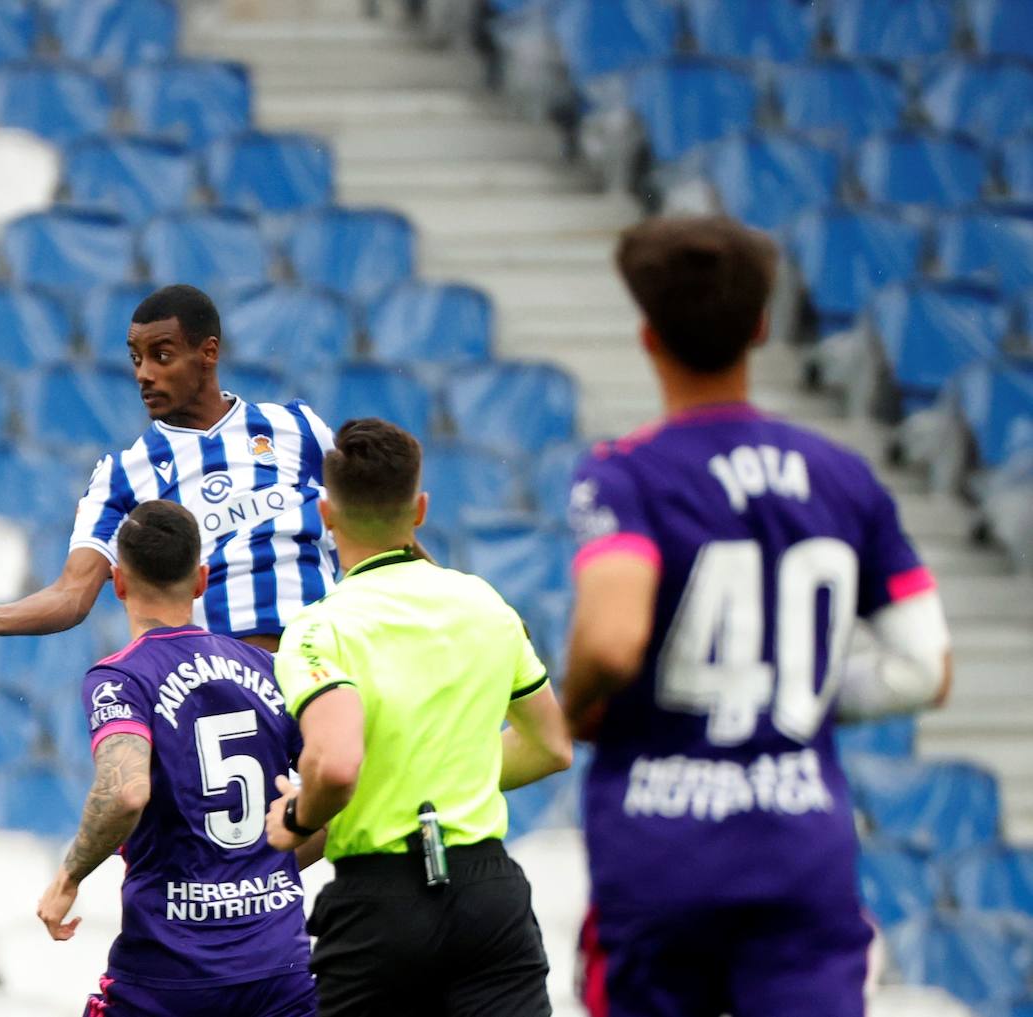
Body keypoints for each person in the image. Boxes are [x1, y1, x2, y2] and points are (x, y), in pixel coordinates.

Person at [562, 215, 953, 1017]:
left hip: (659, 848)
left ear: (648, 336)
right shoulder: (844, 476)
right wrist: (791, 683)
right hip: (798, 844)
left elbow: (611, 635)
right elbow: (926, 668)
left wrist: (572, 708)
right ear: (762, 327)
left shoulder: (626, 474)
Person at [264, 417, 572, 1017]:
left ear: (326, 514)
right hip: (488, 896)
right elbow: (553, 746)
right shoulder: (487, 605)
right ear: (421, 508)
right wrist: (446, 770)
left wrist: (297, 819)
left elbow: (337, 765)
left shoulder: (318, 629)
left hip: (379, 905)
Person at [0, 284, 337, 652]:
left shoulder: (296, 428)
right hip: (224, 682)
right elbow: (72, 594)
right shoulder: (123, 475)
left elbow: (370, 524)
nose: (144, 374)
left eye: (161, 356)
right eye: (136, 358)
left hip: (326, 659)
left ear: (208, 353)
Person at [37, 499, 316, 1017]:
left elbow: (125, 791)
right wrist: (267, 862)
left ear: (117, 583)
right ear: (201, 579)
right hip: (280, 971)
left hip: (170, 975)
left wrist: (68, 877)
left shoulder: (122, 678)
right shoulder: (271, 668)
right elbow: (345, 781)